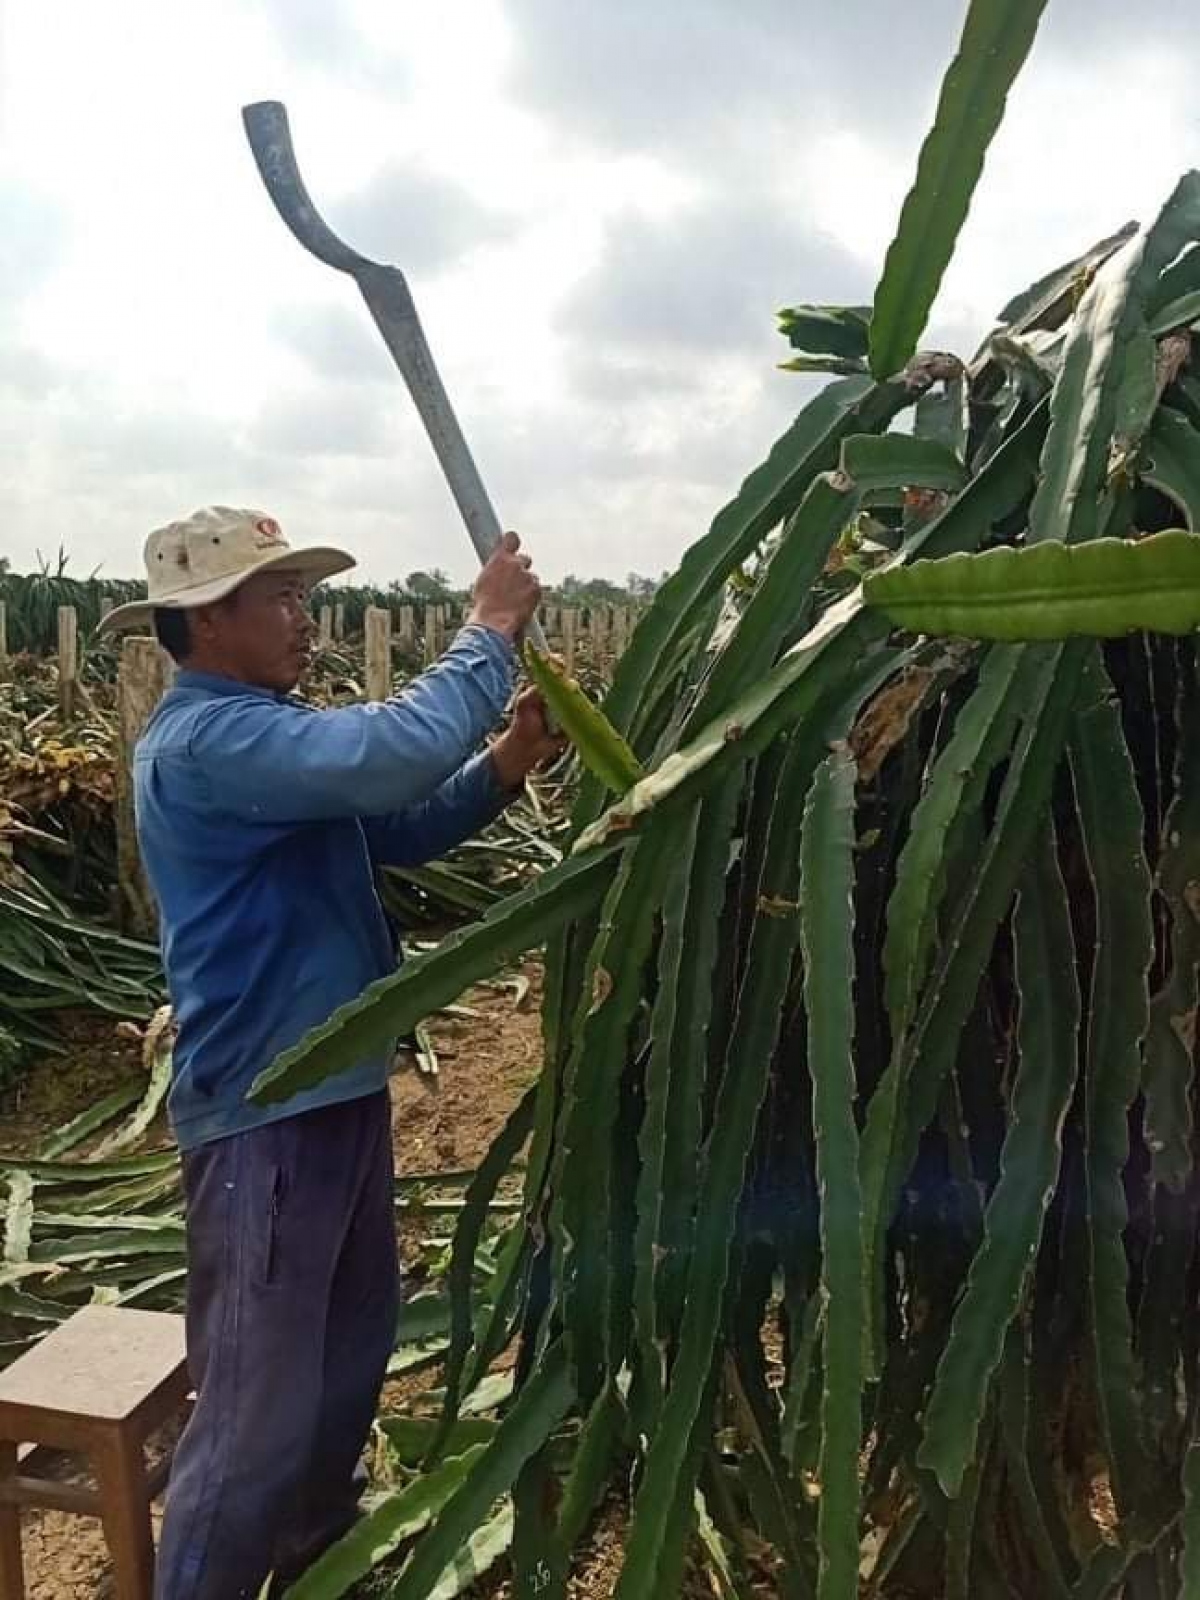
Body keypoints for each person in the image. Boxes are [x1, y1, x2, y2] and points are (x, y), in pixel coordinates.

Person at [98, 505, 559, 1599]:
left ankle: (316, 1560)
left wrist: (508, 757)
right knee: (255, 1409)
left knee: (346, 1360)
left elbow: (397, 818)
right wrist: (486, 630)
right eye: (283, 597)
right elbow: (385, 752)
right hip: (267, 1106)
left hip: (334, 1086)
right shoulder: (211, 741)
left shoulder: (265, 736)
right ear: (208, 621)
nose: (306, 618)